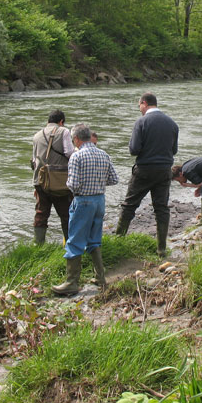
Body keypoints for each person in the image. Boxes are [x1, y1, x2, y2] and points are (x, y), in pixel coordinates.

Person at [52, 124, 119, 296]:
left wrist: (74, 187)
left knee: (74, 241)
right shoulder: (104, 154)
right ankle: (100, 277)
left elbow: (73, 184)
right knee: (94, 240)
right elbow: (114, 179)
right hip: (100, 200)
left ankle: (71, 282)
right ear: (89, 136)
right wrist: (98, 184)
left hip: (83, 201)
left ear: (76, 139)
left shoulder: (77, 156)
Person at [116, 93, 179, 257]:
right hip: (165, 170)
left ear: (144, 103)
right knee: (161, 208)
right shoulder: (171, 123)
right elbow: (174, 150)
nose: (140, 109)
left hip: (144, 169)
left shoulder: (141, 122)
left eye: (139, 106)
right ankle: (161, 249)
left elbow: (134, 149)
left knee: (129, 205)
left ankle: (118, 241)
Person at [31, 110, 74, 244]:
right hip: (59, 180)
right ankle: (70, 244)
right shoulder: (64, 131)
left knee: (41, 214)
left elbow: (34, 160)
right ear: (61, 121)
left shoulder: (37, 135)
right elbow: (69, 153)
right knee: (66, 214)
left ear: (48, 121)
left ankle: (38, 245)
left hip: (40, 181)